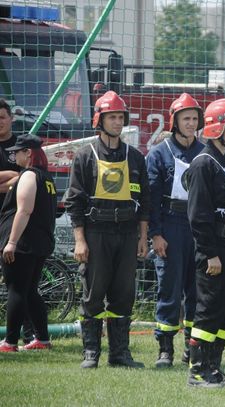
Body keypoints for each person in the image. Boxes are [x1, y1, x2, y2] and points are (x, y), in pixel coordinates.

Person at [65, 91, 150, 369]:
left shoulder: (136, 157)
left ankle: (120, 354)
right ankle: (91, 353)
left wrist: (143, 237)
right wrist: (80, 240)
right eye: (112, 117)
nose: (117, 122)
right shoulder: (84, 157)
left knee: (124, 293)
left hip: (127, 233)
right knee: (93, 293)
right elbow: (75, 202)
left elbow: (144, 202)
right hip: (96, 232)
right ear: (99, 120)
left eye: (120, 117)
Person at [186, 98, 225, 387]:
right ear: (218, 128)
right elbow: (198, 216)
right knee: (209, 309)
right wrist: (210, 253)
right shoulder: (203, 164)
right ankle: (198, 371)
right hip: (214, 249)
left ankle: (214, 368)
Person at [146, 93, 204, 368]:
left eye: (195, 118)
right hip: (170, 225)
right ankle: (165, 349)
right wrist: (156, 234)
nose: (191, 124)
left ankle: (191, 347)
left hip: (197, 228)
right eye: (186, 119)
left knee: (197, 290)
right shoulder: (158, 154)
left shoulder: (205, 152)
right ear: (175, 122)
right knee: (168, 288)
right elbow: (151, 199)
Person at [0, 134, 57, 352]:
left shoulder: (29, 176)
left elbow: (24, 210)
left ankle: (10, 342)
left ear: (29, 153)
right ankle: (42, 339)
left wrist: (11, 242)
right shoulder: (46, 178)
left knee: (16, 290)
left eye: (18, 152)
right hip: (38, 243)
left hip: (22, 244)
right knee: (30, 291)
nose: (14, 155)